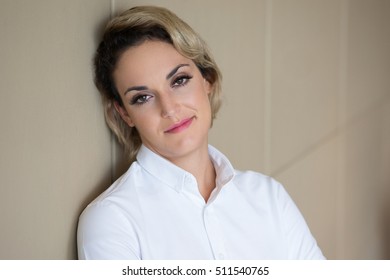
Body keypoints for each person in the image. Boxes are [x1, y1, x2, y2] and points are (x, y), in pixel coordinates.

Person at [77, 5, 325, 260]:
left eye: (179, 80)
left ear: (207, 79)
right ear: (124, 113)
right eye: (143, 97)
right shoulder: (112, 221)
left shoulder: (268, 196)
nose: (170, 109)